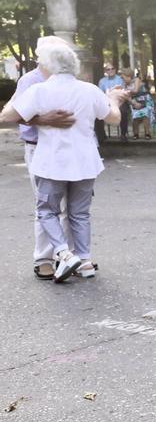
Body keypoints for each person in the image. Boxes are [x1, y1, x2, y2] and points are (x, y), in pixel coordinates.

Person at [0, 40, 127, 282]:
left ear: (49, 65)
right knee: (79, 213)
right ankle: (85, 260)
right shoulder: (89, 90)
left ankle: (64, 253)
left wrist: (39, 118)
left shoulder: (40, 91)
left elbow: (8, 115)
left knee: (47, 211)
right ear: (75, 65)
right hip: (85, 161)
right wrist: (113, 99)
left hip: (52, 161)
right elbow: (113, 119)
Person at [10, 37, 80, 280]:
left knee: (72, 207)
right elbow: (11, 114)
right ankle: (43, 258)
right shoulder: (30, 81)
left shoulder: (69, 80)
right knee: (46, 205)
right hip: (39, 147)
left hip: (67, 148)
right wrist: (41, 120)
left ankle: (72, 255)